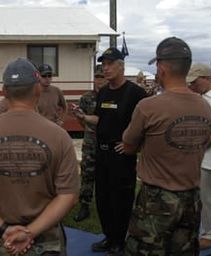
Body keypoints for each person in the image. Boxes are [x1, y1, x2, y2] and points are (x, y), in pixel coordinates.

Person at [0, 58, 79, 255]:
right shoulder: (59, 136)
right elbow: (68, 196)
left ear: (4, 92)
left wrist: (3, 228)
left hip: (0, 241)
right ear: (38, 90)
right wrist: (31, 232)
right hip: (46, 243)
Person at [123, 37, 211, 255]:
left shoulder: (148, 106)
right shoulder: (205, 106)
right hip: (192, 198)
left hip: (156, 201)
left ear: (161, 68)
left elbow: (127, 146)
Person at [74, 47, 147, 255]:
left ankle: (119, 240)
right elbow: (100, 119)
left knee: (120, 199)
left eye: (109, 64)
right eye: (103, 65)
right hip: (101, 153)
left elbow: (145, 125)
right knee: (103, 198)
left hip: (122, 156)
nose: (104, 69)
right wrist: (83, 117)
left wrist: (133, 145)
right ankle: (108, 236)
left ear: (121, 66)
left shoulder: (136, 93)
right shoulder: (104, 92)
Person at [187, 63, 211, 250]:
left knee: (207, 198)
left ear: (206, 78)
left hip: (209, 159)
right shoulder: (197, 98)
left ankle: (210, 233)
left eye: (194, 82)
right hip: (194, 157)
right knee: (192, 198)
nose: (191, 86)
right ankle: (195, 231)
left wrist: (191, 149)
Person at [73, 65, 107, 222]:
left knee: (106, 175)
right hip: (90, 141)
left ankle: (105, 206)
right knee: (87, 174)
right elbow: (82, 121)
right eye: (97, 77)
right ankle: (84, 205)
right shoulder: (86, 98)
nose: (100, 80)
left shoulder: (111, 97)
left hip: (107, 141)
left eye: (102, 77)